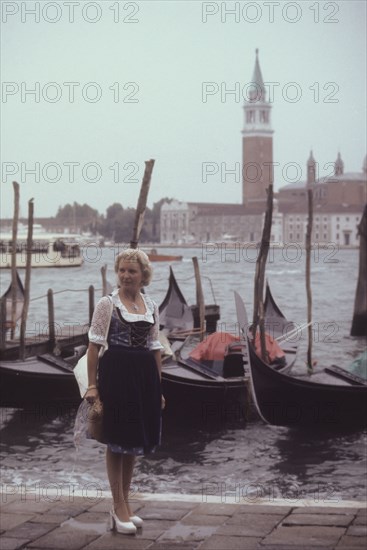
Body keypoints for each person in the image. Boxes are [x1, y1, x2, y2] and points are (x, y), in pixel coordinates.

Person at [85, 248, 164, 535]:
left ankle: (125, 504)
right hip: (117, 374)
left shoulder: (151, 305)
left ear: (144, 275)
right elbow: (94, 346)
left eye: (132, 271)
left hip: (143, 378)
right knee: (116, 439)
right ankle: (117, 507)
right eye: (122, 270)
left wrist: (158, 388)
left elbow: (155, 349)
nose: (126, 276)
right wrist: (93, 386)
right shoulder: (108, 304)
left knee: (133, 441)